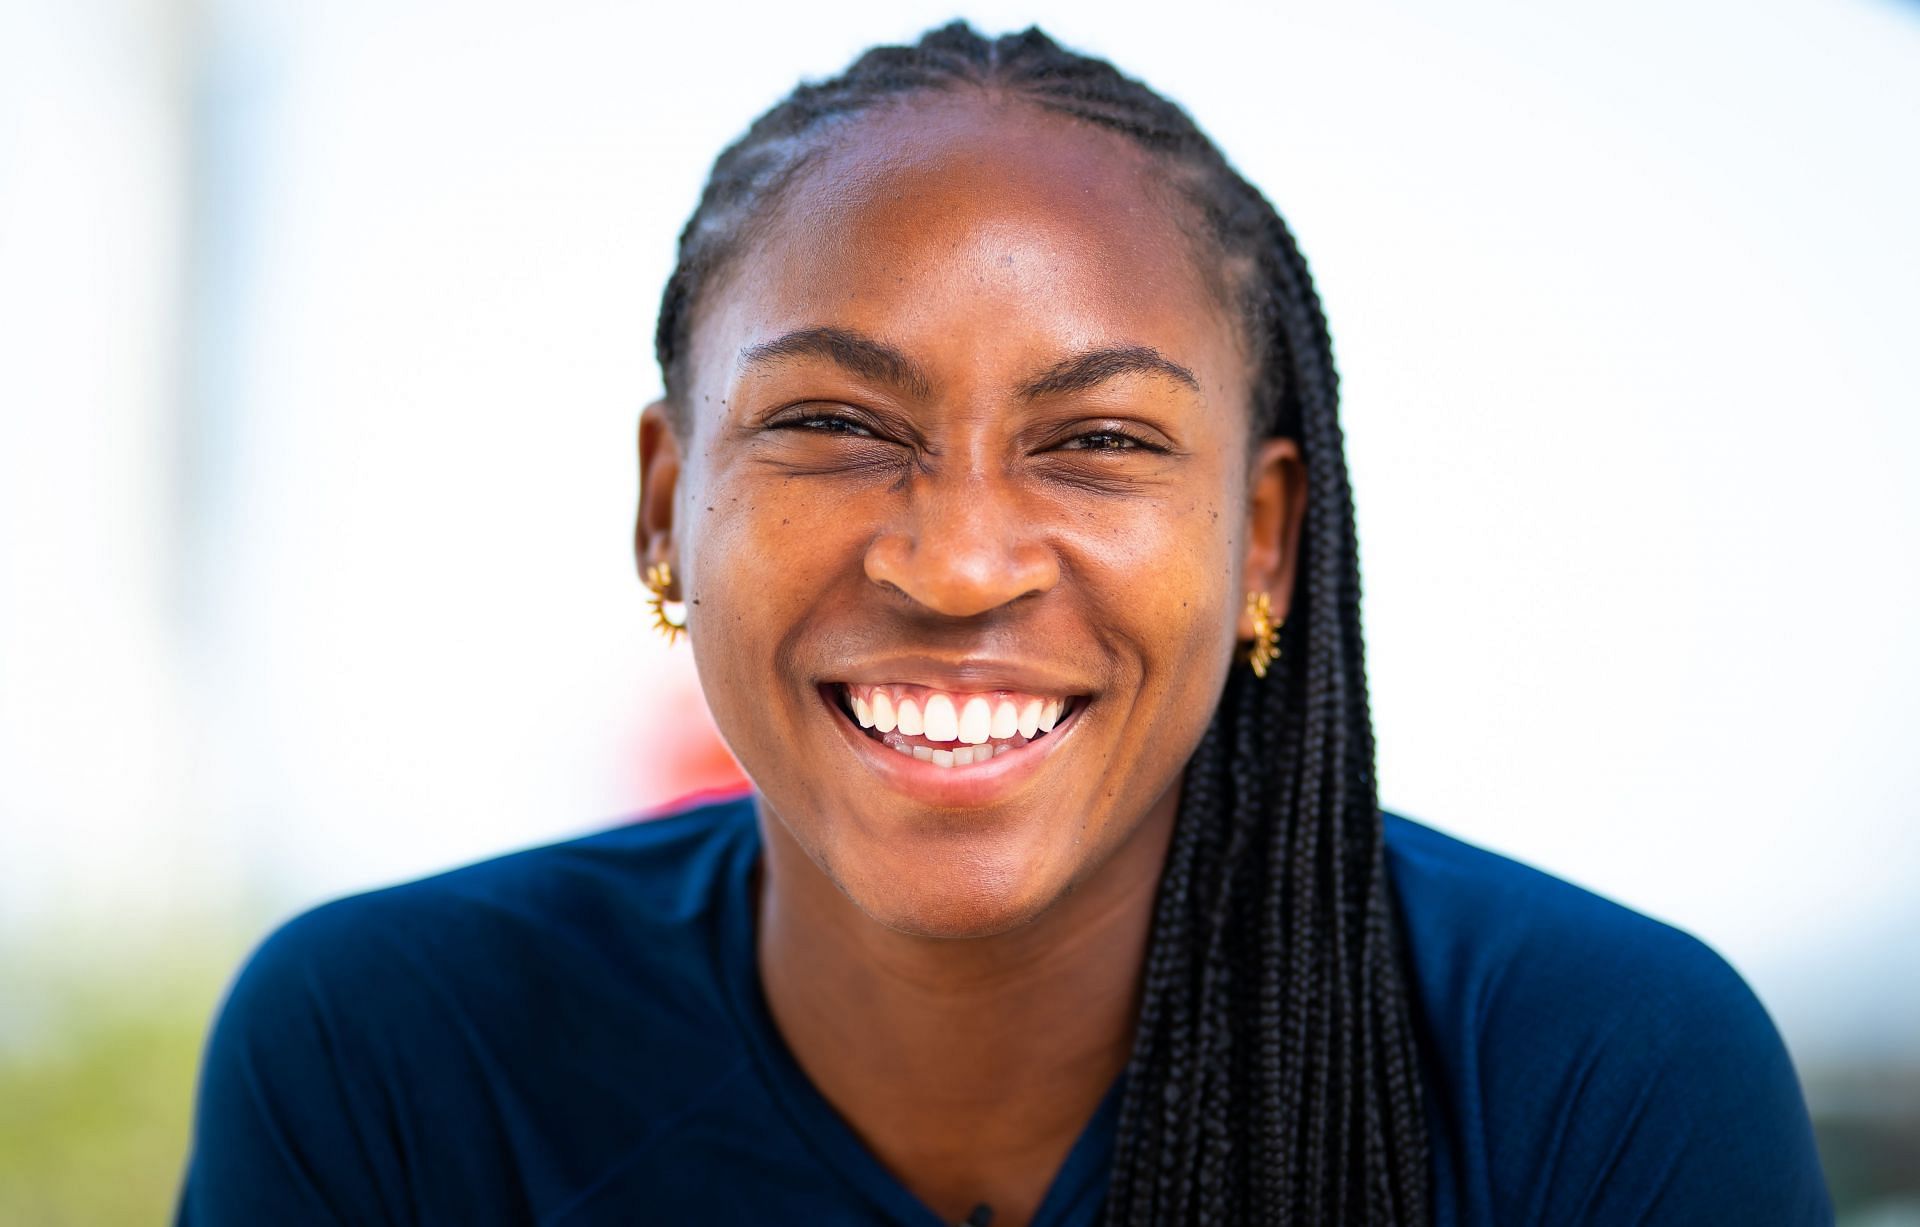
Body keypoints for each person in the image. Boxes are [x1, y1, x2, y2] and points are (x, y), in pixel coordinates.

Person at [175, 22, 1832, 1227]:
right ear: (664, 501)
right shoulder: (390, 1063)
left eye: (1098, 442)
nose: (959, 564)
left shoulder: (1594, 1081)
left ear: (1263, 545)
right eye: (835, 424)